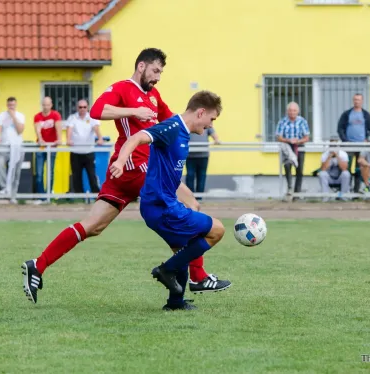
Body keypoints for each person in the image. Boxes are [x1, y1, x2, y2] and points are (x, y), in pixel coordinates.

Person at [21, 48, 230, 304]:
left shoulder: (153, 96)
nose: (158, 77)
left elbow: (175, 121)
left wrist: (204, 121)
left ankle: (38, 264)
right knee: (188, 207)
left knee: (92, 226)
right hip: (132, 166)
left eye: (161, 73)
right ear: (141, 66)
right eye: (155, 71)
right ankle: (197, 277)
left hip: (132, 171)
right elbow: (97, 110)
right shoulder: (123, 88)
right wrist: (131, 112)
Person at [109, 91, 225, 310]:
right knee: (217, 229)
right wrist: (121, 161)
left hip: (160, 205)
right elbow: (136, 137)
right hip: (161, 207)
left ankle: (175, 303)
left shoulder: (183, 132)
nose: (211, 125)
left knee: (182, 247)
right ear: (201, 112)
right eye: (212, 119)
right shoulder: (172, 128)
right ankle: (166, 270)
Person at [65, 99, 103, 194]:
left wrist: (100, 138)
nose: (82, 109)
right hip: (76, 152)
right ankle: (79, 197)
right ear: (77, 108)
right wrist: (68, 140)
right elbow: (69, 129)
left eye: (84, 107)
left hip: (88, 152)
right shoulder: (72, 118)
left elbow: (96, 128)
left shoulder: (92, 118)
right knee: (76, 176)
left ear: (88, 108)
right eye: (80, 107)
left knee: (91, 175)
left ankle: (95, 195)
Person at [0, 97, 25, 202]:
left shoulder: (20, 116)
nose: (11, 107)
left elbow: (20, 130)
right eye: (9, 105)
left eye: (13, 105)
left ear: (16, 105)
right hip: (4, 145)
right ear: (7, 105)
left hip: (17, 145)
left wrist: (13, 117)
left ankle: (13, 195)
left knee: (16, 171)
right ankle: (4, 187)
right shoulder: (1, 115)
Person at [33, 97, 62, 203]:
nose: (46, 107)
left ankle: (48, 195)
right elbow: (37, 130)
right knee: (39, 173)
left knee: (50, 172)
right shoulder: (37, 116)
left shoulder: (55, 115)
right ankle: (42, 197)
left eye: (47, 104)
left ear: (51, 105)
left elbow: (58, 128)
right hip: (41, 148)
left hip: (52, 147)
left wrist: (59, 139)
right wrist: (40, 140)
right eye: (44, 105)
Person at [186, 126, 220, 198]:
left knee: (201, 176)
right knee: (190, 175)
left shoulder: (206, 124)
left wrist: (216, 140)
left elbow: (215, 136)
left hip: (203, 155)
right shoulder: (190, 124)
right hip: (190, 155)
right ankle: (190, 197)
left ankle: (199, 197)